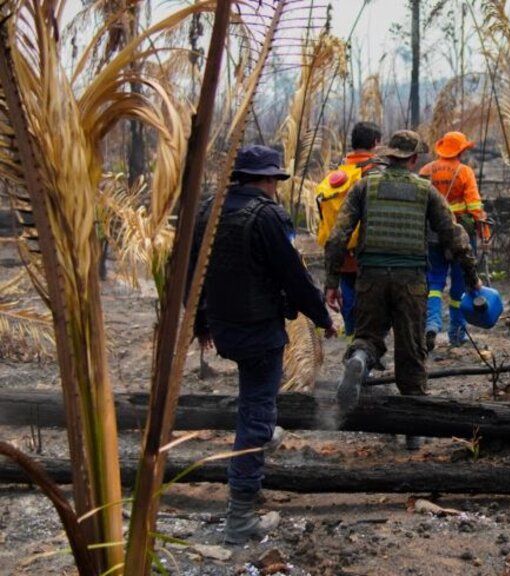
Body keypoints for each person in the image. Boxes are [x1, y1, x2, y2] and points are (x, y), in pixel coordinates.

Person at [189, 145, 337, 545]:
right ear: (269, 180)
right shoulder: (268, 215)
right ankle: (240, 520)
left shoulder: (209, 211)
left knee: (257, 401)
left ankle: (263, 430)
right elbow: (293, 276)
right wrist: (323, 318)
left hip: (224, 326)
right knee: (255, 412)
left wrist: (200, 322)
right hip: (258, 330)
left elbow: (192, 271)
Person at [324, 130, 480, 449]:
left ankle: (360, 360)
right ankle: (413, 429)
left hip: (371, 277)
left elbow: (338, 237)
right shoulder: (425, 191)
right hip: (410, 279)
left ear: (389, 155)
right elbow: (454, 236)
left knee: (367, 336)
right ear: (412, 159)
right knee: (411, 351)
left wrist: (331, 281)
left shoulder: (365, 186)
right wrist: (473, 279)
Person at [419, 131, 490, 349]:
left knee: (434, 282)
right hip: (460, 234)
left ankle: (432, 322)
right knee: (459, 286)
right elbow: (475, 207)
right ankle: (457, 333)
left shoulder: (426, 170)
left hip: (432, 235)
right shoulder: (464, 172)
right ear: (460, 150)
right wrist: (484, 233)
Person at [314, 121, 383, 339]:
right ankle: (365, 348)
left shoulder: (336, 176)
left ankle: (352, 339)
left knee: (349, 297)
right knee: (371, 302)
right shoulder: (375, 174)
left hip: (341, 252)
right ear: (375, 143)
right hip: (369, 251)